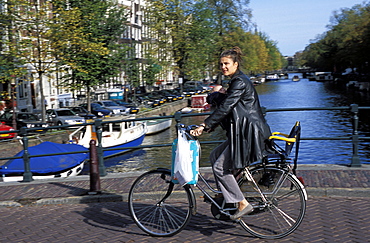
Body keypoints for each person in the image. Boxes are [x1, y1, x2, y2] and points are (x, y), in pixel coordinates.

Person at [190, 46, 272, 220]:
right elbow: (229, 108)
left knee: (220, 167)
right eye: (221, 64)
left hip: (247, 134)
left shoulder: (240, 82)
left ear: (236, 64)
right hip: (242, 131)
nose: (223, 67)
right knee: (214, 156)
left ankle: (242, 203)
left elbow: (227, 107)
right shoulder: (236, 81)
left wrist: (204, 125)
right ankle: (225, 193)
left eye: (226, 64)